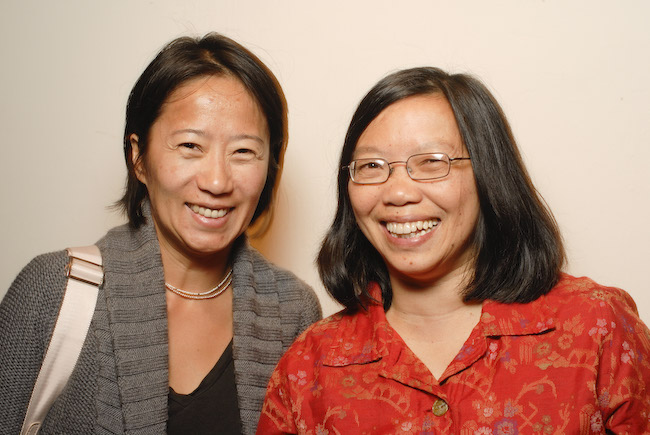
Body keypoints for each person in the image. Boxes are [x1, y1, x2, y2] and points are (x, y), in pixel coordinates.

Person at [257, 67, 650, 434]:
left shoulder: (597, 328)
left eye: (432, 161)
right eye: (372, 166)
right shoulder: (310, 365)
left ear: (489, 174)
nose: (398, 192)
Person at [0, 33, 321, 435]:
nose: (217, 181)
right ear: (138, 157)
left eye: (243, 151)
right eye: (190, 145)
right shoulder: (54, 290)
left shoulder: (294, 314)